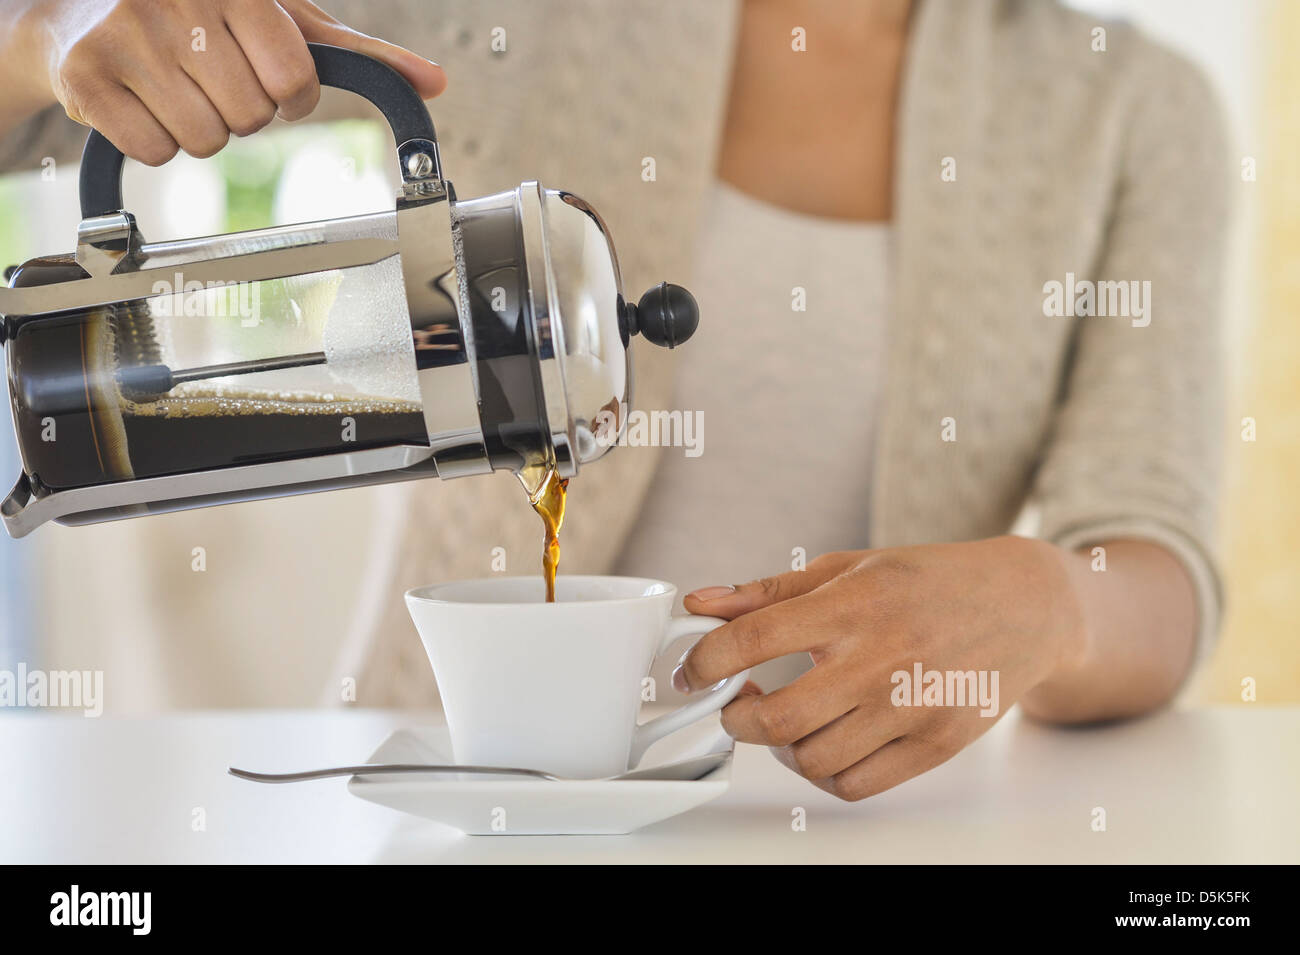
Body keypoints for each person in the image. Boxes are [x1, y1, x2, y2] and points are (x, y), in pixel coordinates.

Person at [0, 0, 1229, 801]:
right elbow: (41, 116)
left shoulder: (1130, 107)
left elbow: (1156, 565)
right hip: (452, 800)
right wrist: (55, 29)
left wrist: (1052, 598)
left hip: (857, 825)